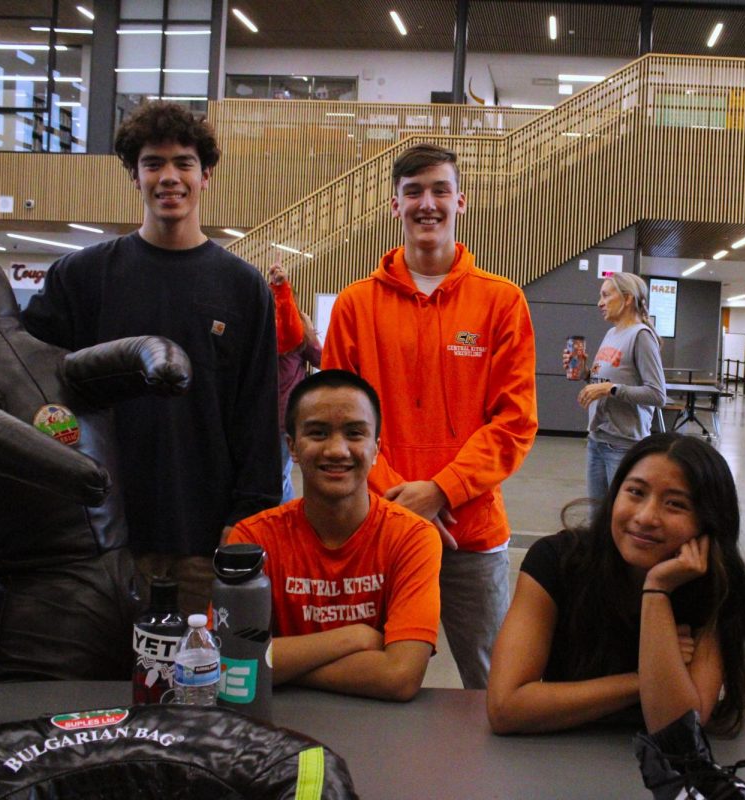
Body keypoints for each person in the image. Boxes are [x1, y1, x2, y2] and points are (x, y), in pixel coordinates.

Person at [17, 101, 279, 614]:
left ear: (206, 176)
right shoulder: (81, 278)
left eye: (183, 163)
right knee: (100, 688)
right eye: (153, 163)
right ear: (133, 177)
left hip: (201, 537)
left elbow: (256, 411)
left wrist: (248, 518)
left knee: (196, 686)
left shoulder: (244, 288)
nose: (169, 177)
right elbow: (19, 365)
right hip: (99, 533)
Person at [322, 142, 538, 690]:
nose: (427, 203)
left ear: (461, 201)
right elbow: (335, 424)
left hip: (472, 536)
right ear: (394, 206)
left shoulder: (501, 302)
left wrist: (441, 490)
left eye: (440, 190)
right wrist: (401, 499)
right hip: (376, 529)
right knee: (362, 675)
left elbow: (514, 421)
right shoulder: (355, 304)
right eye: (413, 191)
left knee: (495, 684)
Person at [487, 433, 745, 736]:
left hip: (662, 774)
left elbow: (682, 726)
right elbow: (505, 708)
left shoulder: (717, 584)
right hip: (562, 758)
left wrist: (657, 589)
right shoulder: (556, 562)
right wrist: (644, 678)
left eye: (675, 504)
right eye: (635, 492)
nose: (645, 517)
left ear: (707, 522)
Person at [228, 370, 441, 701]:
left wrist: (277, 666)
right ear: (292, 447)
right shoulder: (253, 539)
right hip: (278, 724)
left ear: (376, 449)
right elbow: (229, 663)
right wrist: (353, 637)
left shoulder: (413, 537)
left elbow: (401, 675)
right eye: (318, 433)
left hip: (378, 728)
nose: (337, 450)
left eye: (355, 433)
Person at [574, 272, 666, 501]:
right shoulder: (611, 333)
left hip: (623, 446)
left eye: (606, 295)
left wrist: (610, 389)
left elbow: (657, 394)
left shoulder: (641, 336)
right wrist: (586, 371)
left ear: (627, 299)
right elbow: (603, 381)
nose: (600, 303)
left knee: (619, 516)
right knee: (599, 515)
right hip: (597, 439)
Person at [270, 263, 322, 503]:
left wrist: (309, 331)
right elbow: (320, 358)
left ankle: (280, 520)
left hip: (279, 414)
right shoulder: (295, 330)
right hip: (279, 413)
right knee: (278, 475)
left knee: (277, 475)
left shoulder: (295, 329)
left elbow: (321, 359)